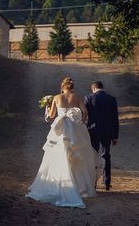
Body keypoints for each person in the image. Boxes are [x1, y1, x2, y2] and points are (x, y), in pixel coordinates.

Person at [26, 77, 98, 208]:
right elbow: (85, 111)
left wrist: (47, 108)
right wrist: (82, 121)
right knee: (76, 157)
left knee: (56, 155)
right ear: (72, 87)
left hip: (60, 130)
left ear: (62, 87)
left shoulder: (57, 97)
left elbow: (51, 116)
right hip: (74, 129)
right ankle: (78, 186)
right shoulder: (76, 97)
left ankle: (59, 184)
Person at [84, 80, 119, 190]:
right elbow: (115, 118)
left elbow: (84, 113)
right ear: (102, 87)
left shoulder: (89, 98)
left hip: (93, 130)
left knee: (93, 156)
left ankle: (92, 182)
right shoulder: (112, 99)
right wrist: (115, 136)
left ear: (93, 88)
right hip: (107, 131)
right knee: (106, 156)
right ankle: (106, 182)